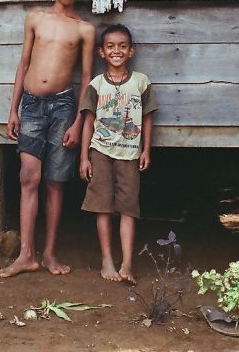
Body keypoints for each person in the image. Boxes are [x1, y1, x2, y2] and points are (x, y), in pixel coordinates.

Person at [0, 0, 95, 278]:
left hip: (64, 107)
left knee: (55, 181)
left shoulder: (84, 29)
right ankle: (26, 255)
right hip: (31, 105)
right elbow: (23, 64)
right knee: (29, 176)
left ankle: (50, 254)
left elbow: (86, 78)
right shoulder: (35, 18)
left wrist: (78, 122)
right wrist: (13, 109)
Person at [79, 24, 157, 284]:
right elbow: (88, 122)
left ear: (131, 51)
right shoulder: (96, 84)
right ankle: (107, 260)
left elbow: (148, 118)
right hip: (100, 152)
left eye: (122, 46)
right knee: (102, 207)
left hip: (130, 154)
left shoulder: (141, 82)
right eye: (110, 46)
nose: (117, 51)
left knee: (128, 208)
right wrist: (84, 157)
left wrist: (146, 149)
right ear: (101, 52)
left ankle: (127, 263)